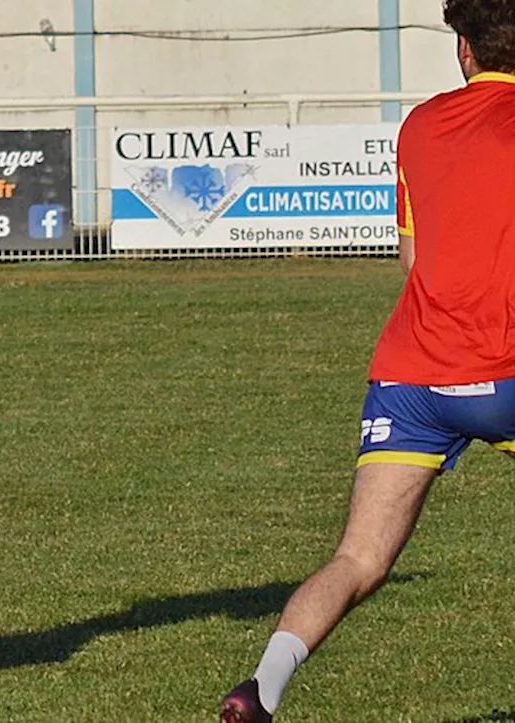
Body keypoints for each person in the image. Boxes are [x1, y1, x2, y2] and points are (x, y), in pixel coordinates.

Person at [220, 2, 515, 721]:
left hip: (412, 372)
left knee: (357, 559)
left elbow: (412, 258)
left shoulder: (420, 127)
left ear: (465, 53)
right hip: (504, 367)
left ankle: (260, 688)